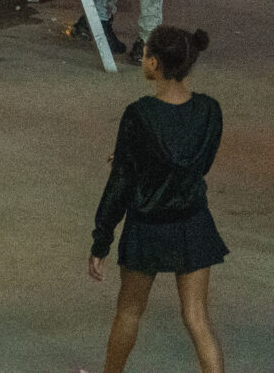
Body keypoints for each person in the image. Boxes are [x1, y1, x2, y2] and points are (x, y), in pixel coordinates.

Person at [89, 26, 226, 373]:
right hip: (193, 223)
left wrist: (101, 239)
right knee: (197, 317)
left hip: (147, 227)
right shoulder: (210, 110)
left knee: (129, 310)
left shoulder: (140, 114)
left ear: (153, 62)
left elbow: (121, 184)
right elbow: (199, 163)